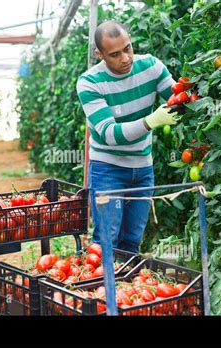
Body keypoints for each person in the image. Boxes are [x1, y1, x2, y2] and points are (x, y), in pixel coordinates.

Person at [77, 20, 178, 254]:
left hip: (143, 168)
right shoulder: (89, 83)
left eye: (128, 48)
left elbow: (177, 98)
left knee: (132, 240)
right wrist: (151, 121)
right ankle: (102, 289)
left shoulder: (151, 67)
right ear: (99, 54)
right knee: (106, 241)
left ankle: (127, 289)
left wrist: (197, 94)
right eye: (114, 54)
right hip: (108, 168)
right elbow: (109, 134)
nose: (125, 58)